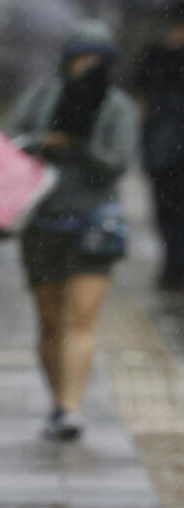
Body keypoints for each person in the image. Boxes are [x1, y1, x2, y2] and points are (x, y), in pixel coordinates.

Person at [4, 20, 139, 441]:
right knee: (49, 320)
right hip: (43, 221)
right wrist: (42, 143)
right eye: (82, 57)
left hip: (94, 222)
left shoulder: (117, 106)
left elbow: (119, 162)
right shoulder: (42, 96)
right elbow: (9, 141)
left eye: (97, 59)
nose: (88, 66)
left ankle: (70, 407)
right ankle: (57, 398)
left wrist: (80, 147)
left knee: (80, 317)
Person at [134, 1, 184, 291]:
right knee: (165, 210)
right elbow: (142, 95)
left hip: (166, 145)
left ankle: (176, 264)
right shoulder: (155, 55)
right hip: (162, 148)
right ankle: (173, 264)